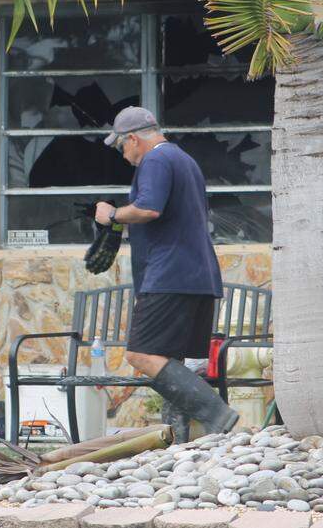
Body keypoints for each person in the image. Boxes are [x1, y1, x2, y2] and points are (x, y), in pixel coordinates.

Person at [95, 107, 238, 441]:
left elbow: (148, 208)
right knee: (170, 359)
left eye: (121, 147)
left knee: (141, 354)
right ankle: (178, 442)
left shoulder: (155, 161)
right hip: (197, 275)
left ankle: (217, 415)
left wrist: (112, 214)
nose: (123, 155)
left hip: (170, 275)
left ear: (133, 139)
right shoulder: (183, 159)